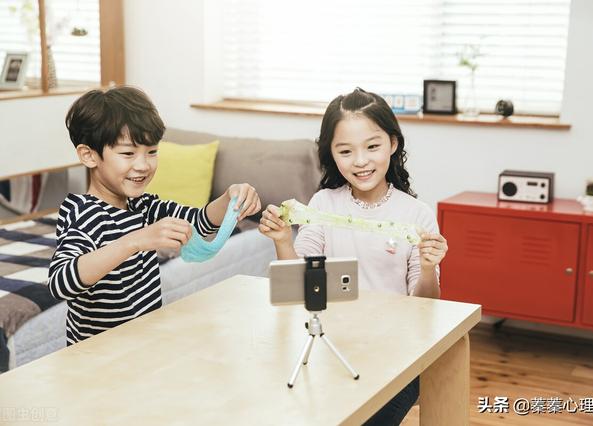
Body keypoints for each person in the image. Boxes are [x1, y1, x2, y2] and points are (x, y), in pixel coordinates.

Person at [259, 87, 448, 425]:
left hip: (397, 354)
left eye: (372, 146)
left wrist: (427, 268)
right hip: (331, 347)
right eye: (346, 151)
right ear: (331, 154)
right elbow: (296, 288)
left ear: (393, 143)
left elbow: (425, 307)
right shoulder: (323, 205)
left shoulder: (416, 214)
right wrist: (283, 241)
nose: (360, 161)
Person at [48, 86, 261, 346]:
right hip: (100, 358)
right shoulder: (82, 212)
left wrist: (228, 198)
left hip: (143, 347)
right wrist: (134, 241)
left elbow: (200, 223)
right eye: (128, 153)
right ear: (89, 155)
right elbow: (60, 283)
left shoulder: (144, 206)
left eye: (152, 151)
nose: (143, 165)